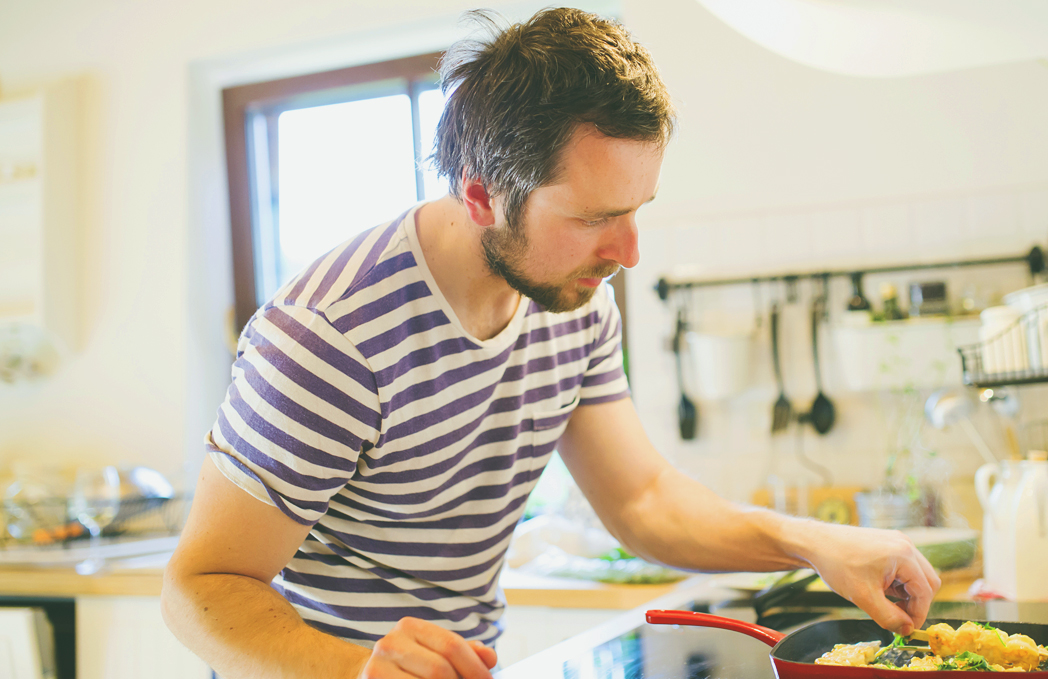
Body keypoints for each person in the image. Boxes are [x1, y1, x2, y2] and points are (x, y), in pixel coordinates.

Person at [162, 8, 940, 679]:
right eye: (595, 217)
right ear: (480, 194)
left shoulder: (573, 300)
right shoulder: (329, 337)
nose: (629, 251)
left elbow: (642, 500)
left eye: (638, 209)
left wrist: (816, 543)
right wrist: (359, 666)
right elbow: (198, 588)